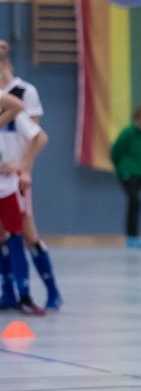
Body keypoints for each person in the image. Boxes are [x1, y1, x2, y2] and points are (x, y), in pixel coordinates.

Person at [0, 40, 61, 309]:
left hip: (15, 177)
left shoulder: (24, 92)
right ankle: (9, 293)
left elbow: (34, 136)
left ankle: (50, 291)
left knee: (27, 233)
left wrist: (24, 168)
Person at [0, 92, 48, 315]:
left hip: (6, 187)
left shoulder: (14, 116)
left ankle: (25, 295)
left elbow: (17, 105)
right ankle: (7, 292)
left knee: (16, 235)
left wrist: (21, 165)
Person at [109, 105, 141, 249]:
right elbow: (115, 151)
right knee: (135, 201)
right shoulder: (129, 133)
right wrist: (120, 168)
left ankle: (135, 236)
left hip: (139, 173)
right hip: (127, 172)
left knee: (136, 204)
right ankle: (132, 237)